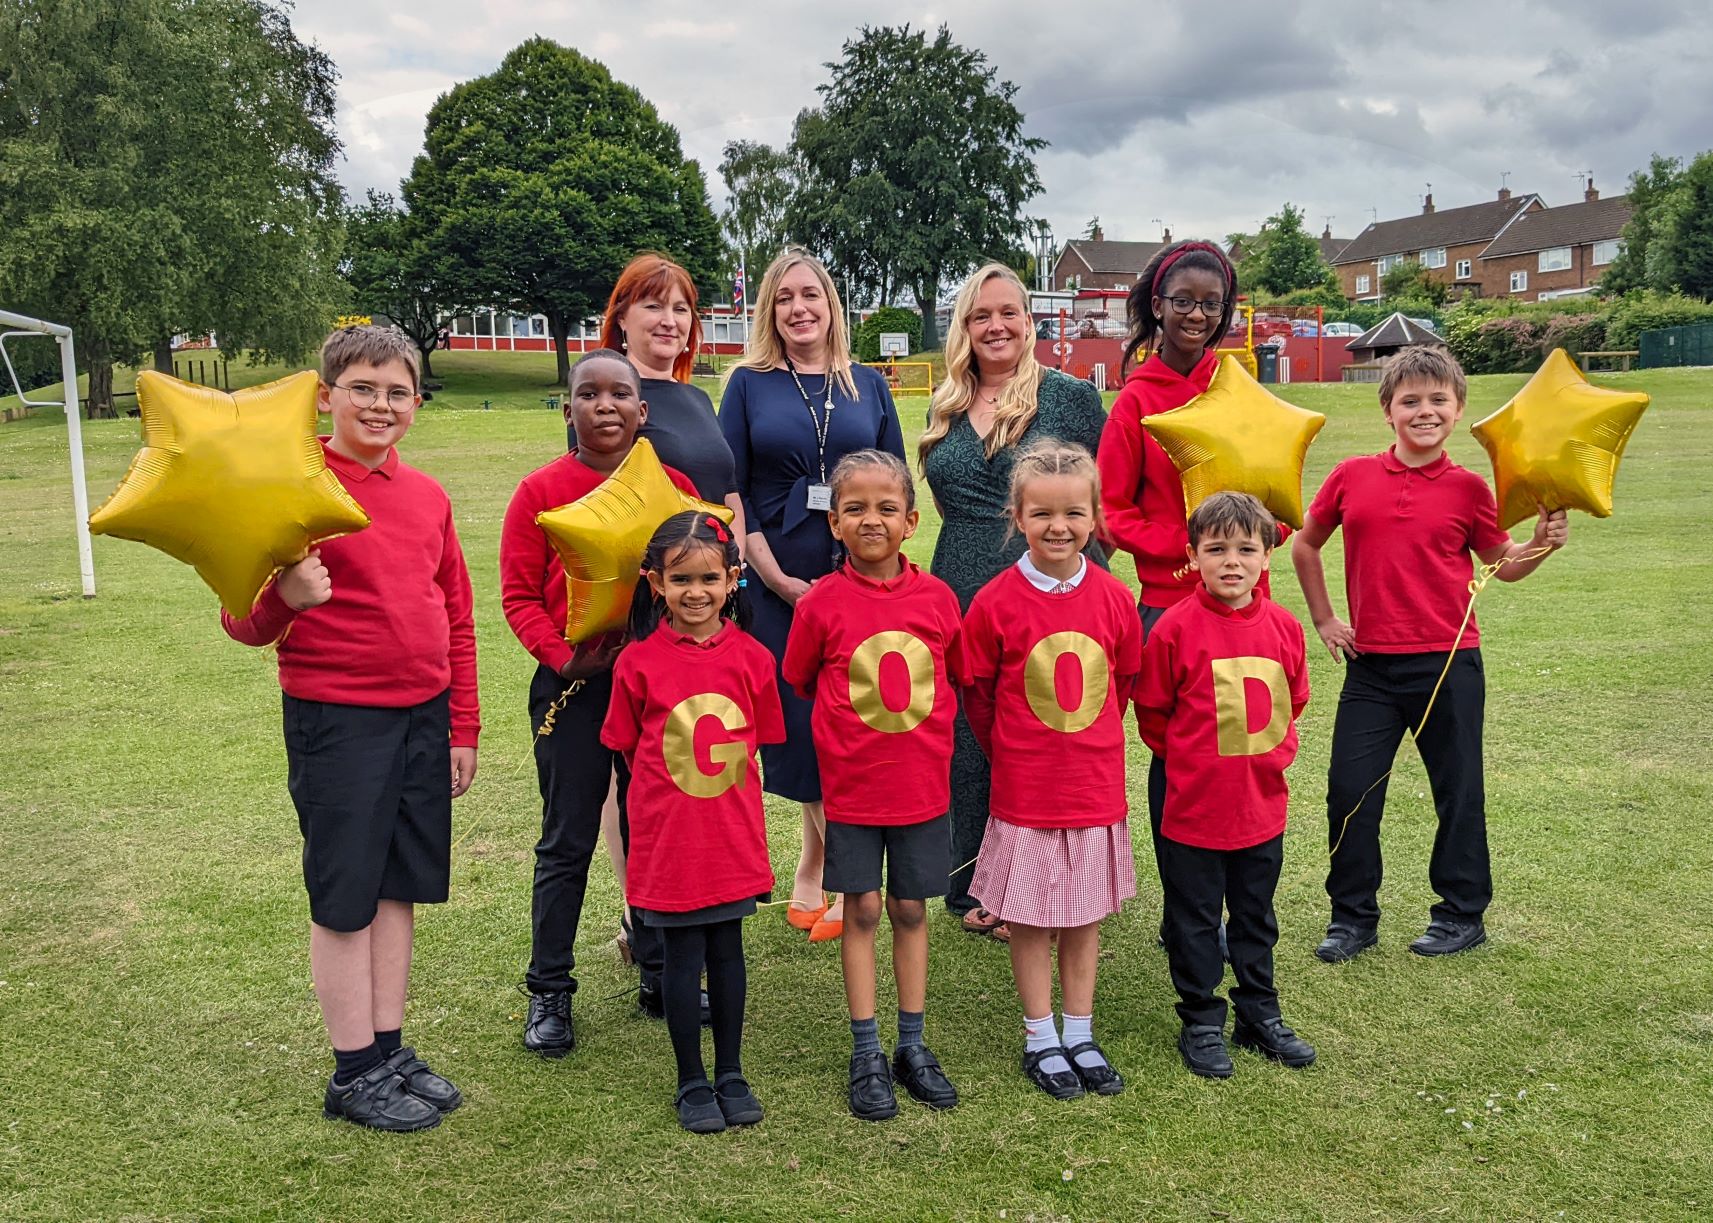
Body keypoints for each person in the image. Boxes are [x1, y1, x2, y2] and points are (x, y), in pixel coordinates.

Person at [221, 324, 478, 1133]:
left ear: (415, 403)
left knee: (397, 885)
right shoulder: (292, 489)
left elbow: (458, 616)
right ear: (325, 396)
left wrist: (462, 721)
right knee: (345, 895)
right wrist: (283, 596)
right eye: (363, 388)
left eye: (397, 391)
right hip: (338, 720)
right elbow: (241, 620)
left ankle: (388, 1047)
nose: (380, 403)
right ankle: (351, 1068)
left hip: (422, 716)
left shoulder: (427, 495)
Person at [1292, 345, 1570, 963]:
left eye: (1438, 400)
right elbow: (1305, 547)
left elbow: (1504, 565)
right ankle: (1352, 917)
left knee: (1459, 791)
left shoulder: (1471, 489)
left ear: (1458, 409)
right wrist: (1325, 619)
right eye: (1410, 400)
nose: (1424, 410)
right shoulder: (1351, 476)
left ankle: (1461, 913)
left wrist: (1540, 544)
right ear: (1387, 411)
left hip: (1449, 665)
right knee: (1349, 791)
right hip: (1371, 670)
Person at [500, 349, 702, 1057]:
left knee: (650, 829)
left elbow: (697, 575)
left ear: (643, 411)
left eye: (622, 394)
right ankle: (549, 989)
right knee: (568, 837)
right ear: (569, 409)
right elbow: (519, 595)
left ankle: (657, 968)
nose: (606, 406)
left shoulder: (673, 487)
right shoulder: (540, 491)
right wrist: (563, 657)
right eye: (590, 394)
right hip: (575, 689)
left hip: (655, 690)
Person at [719, 248, 906, 944]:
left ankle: (820, 867)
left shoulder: (866, 383)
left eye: (811, 295)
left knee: (851, 725)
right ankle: (839, 872)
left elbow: (892, 485)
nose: (800, 308)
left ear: (832, 305)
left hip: (861, 584)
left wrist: (876, 568)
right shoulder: (747, 383)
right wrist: (770, 576)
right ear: (770, 310)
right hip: (779, 582)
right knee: (799, 727)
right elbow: (730, 486)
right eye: (784, 298)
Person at [920, 262, 1109, 940]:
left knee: (1033, 738)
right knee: (965, 735)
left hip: (1042, 583)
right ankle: (969, 877)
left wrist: (1088, 594)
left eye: (1008, 312)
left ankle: (1036, 882)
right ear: (963, 327)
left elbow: (1099, 502)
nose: (995, 326)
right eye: (980, 315)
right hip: (957, 580)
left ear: (1030, 322)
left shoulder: (1067, 399)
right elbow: (941, 494)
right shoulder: (944, 401)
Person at [782, 451, 964, 1121]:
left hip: (920, 791)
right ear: (833, 522)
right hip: (854, 794)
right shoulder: (821, 603)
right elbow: (802, 677)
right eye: (854, 507)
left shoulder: (938, 599)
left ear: (911, 520)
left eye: (886, 507)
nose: (870, 519)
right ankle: (865, 1049)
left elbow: (959, 671)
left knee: (911, 911)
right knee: (858, 910)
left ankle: (911, 1044)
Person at [962, 440, 1142, 1101]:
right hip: (1026, 789)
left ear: (1094, 517)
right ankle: (1041, 1035)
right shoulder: (994, 601)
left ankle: (1080, 1029)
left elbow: (1121, 682)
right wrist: (1015, 751)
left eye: (1072, 513)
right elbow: (978, 692)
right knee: (1032, 916)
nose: (1057, 527)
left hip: (1091, 785)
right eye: (1041, 514)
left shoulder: (1115, 599)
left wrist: (1083, 745)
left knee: (1083, 915)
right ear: (1016, 515)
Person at [602, 512, 783, 1134]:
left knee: (728, 952)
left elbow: (758, 739)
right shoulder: (637, 664)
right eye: (680, 579)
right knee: (682, 958)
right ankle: (690, 1079)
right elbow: (628, 749)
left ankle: (730, 1070)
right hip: (670, 839)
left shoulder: (755, 659)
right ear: (656, 583)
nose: (696, 591)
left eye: (709, 577)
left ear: (733, 579)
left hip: (729, 835)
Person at [1096, 239, 1255, 948]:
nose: (1196, 313)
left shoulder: (1238, 388)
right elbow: (1109, 512)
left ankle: (1233, 905)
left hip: (1246, 607)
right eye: (1183, 300)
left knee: (1243, 755)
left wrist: (1263, 534)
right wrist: (1184, 549)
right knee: (1180, 758)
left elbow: (1273, 487)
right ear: (1156, 305)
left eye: (1210, 303)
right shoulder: (1135, 400)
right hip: (1168, 608)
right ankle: (1184, 913)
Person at [593, 253, 746, 987]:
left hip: (710, 600)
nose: (668, 320)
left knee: (698, 761)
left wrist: (734, 562)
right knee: (641, 772)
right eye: (652, 306)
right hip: (644, 608)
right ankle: (642, 922)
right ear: (621, 315)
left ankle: (693, 906)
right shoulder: (611, 391)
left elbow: (725, 490)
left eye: (681, 307)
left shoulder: (694, 397)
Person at [1136, 492, 1315, 1079]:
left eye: (1246, 549)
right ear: (1192, 556)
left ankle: (1259, 1012)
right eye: (1216, 549)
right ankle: (1201, 1017)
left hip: (1260, 804)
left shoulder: (1285, 628)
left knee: (1256, 914)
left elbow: (1296, 698)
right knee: (1193, 915)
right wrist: (1197, 764)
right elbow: (1154, 715)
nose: (1231, 562)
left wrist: (1257, 763)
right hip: (1191, 806)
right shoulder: (1172, 630)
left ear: (1268, 554)